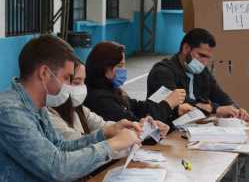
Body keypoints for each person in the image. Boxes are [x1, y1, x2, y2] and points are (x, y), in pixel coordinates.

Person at [0, 35, 142, 182]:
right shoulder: (10, 111)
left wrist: (104, 134)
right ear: (44, 74)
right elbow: (57, 167)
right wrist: (113, 144)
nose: (69, 85)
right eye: (67, 78)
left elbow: (61, 147)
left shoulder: (36, 105)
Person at [48, 59, 170, 142]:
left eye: (84, 82)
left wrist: (143, 128)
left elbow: (105, 126)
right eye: (76, 82)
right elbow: (78, 144)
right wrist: (167, 104)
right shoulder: (99, 99)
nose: (82, 87)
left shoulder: (79, 108)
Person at [147, 28, 249, 121]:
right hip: (168, 131)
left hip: (196, 127)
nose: (204, 62)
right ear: (186, 48)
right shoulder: (162, 72)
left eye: (208, 58)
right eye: (201, 55)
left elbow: (219, 94)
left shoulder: (202, 72)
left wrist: (236, 109)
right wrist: (216, 109)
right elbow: (181, 103)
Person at [84, 41, 193, 127]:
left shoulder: (113, 90)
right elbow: (134, 125)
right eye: (120, 66)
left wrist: (174, 110)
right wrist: (167, 104)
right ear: (105, 69)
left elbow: (137, 107)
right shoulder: (99, 99)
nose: (123, 70)